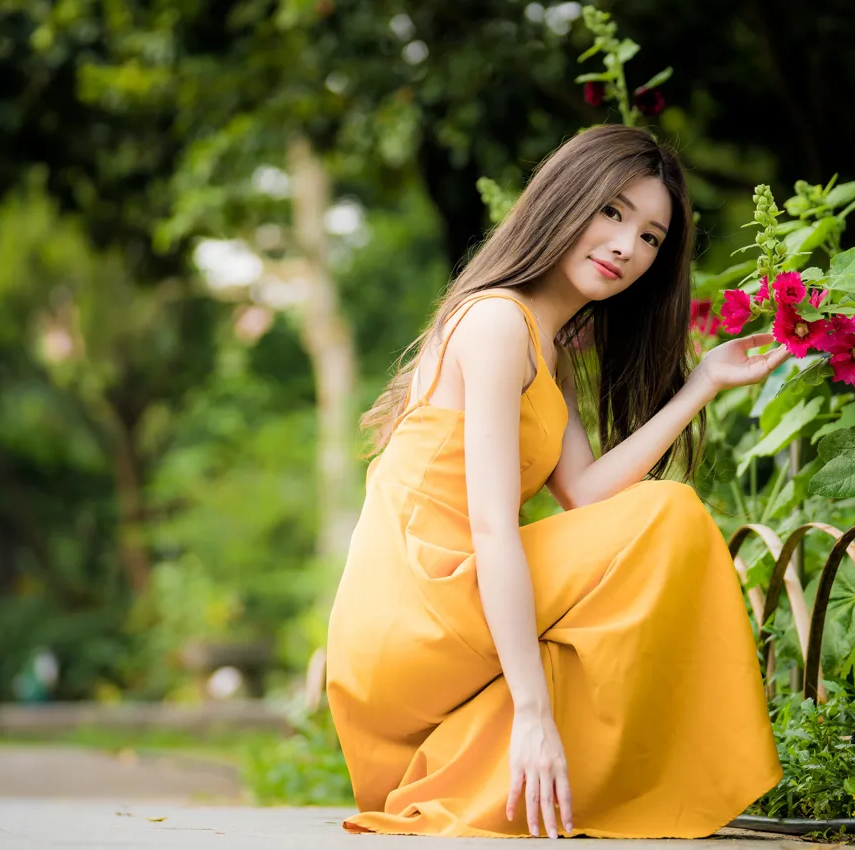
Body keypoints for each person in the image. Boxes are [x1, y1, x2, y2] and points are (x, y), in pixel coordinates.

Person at [325, 124, 788, 839]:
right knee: (667, 518)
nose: (627, 247)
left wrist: (702, 385)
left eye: (651, 237)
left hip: (443, 604)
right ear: (563, 202)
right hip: (422, 604)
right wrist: (534, 714)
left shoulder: (547, 349)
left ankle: (501, 767)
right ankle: (547, 742)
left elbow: (587, 493)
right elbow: (488, 529)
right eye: (612, 212)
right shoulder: (495, 325)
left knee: (663, 523)